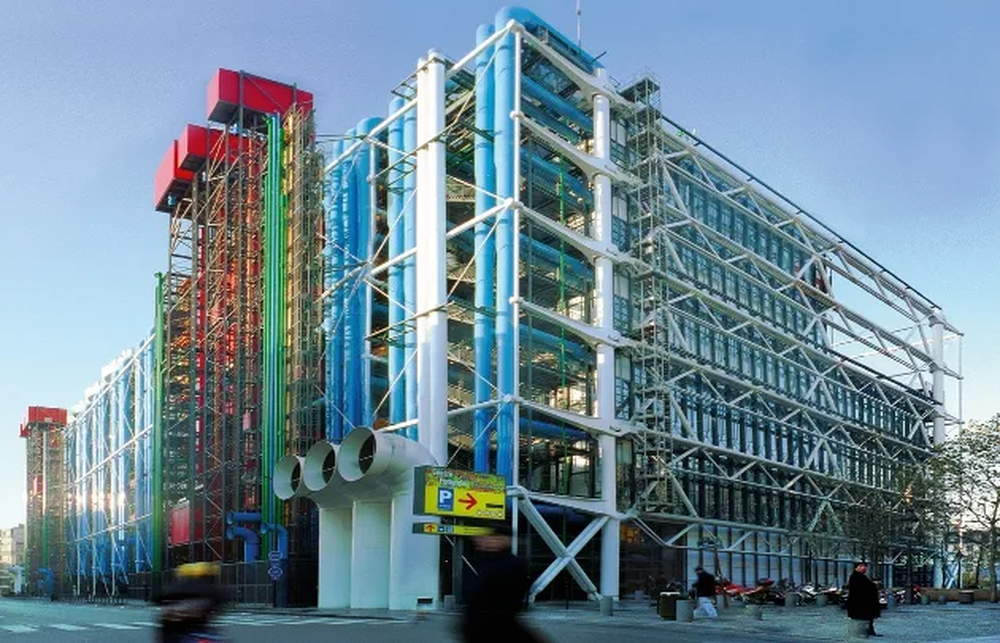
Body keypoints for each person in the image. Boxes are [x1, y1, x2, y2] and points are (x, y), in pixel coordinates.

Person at [460, 523, 544, 643]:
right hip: (489, 623)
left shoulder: (505, 563)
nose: (486, 541)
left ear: (505, 540)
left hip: (493, 622)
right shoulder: (493, 562)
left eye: (493, 538)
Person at [152, 562, 227, 643]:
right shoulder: (212, 591)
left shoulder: (173, 589)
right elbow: (220, 603)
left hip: (177, 632)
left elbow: (157, 599)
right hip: (198, 629)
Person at [846, 561, 881, 637]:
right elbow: (864, 588)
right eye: (861, 566)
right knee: (864, 618)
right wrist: (873, 585)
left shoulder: (860, 576)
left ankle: (869, 630)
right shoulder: (856, 577)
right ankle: (865, 631)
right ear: (856, 568)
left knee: (868, 618)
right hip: (861, 603)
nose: (864, 568)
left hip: (864, 603)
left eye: (865, 566)